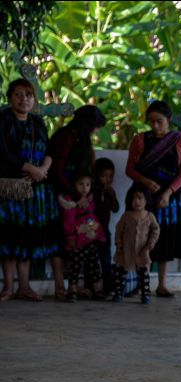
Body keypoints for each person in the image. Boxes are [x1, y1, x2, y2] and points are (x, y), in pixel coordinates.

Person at [0, 78, 60, 302]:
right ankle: (7, 287)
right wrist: (28, 168)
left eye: (28, 95)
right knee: (9, 236)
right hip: (9, 189)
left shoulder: (38, 122)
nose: (24, 99)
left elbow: (50, 149)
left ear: (34, 99)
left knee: (26, 237)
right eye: (18, 94)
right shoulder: (3, 120)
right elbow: (2, 152)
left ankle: (24, 287)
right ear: (10, 98)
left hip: (34, 190)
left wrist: (43, 168)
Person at [126, 100, 181, 298]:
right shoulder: (140, 140)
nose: (155, 126)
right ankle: (141, 282)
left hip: (168, 199)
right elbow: (129, 169)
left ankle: (162, 284)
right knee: (140, 239)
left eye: (159, 121)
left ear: (169, 120)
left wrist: (168, 192)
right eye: (151, 122)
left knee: (165, 239)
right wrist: (145, 181)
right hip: (142, 198)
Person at [48, 104, 107, 301]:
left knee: (86, 242)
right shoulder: (66, 137)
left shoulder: (81, 139)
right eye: (94, 127)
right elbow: (57, 170)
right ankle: (61, 287)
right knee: (61, 242)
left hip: (81, 199)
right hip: (63, 198)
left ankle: (85, 286)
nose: (96, 132)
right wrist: (75, 195)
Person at [58, 172, 106, 302]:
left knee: (94, 263)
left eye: (88, 184)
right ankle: (72, 290)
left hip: (91, 236)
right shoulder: (70, 201)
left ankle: (98, 289)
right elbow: (68, 220)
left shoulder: (91, 198)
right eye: (81, 184)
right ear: (74, 185)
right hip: (77, 239)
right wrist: (70, 237)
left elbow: (92, 217)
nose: (85, 188)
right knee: (75, 264)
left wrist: (99, 234)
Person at [112, 184, 160, 305]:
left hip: (142, 251)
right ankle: (118, 293)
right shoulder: (126, 216)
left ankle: (145, 295)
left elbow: (156, 230)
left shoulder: (149, 216)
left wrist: (151, 243)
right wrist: (118, 242)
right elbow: (118, 230)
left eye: (140, 198)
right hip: (125, 251)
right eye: (133, 198)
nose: (136, 201)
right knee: (121, 274)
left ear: (146, 200)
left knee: (144, 275)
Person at [92, 157, 119, 297]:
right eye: (103, 176)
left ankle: (108, 287)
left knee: (106, 259)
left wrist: (112, 195)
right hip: (91, 231)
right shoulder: (91, 190)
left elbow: (115, 209)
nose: (107, 180)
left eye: (110, 176)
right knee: (92, 260)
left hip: (105, 231)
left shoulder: (110, 192)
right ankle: (92, 288)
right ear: (96, 175)